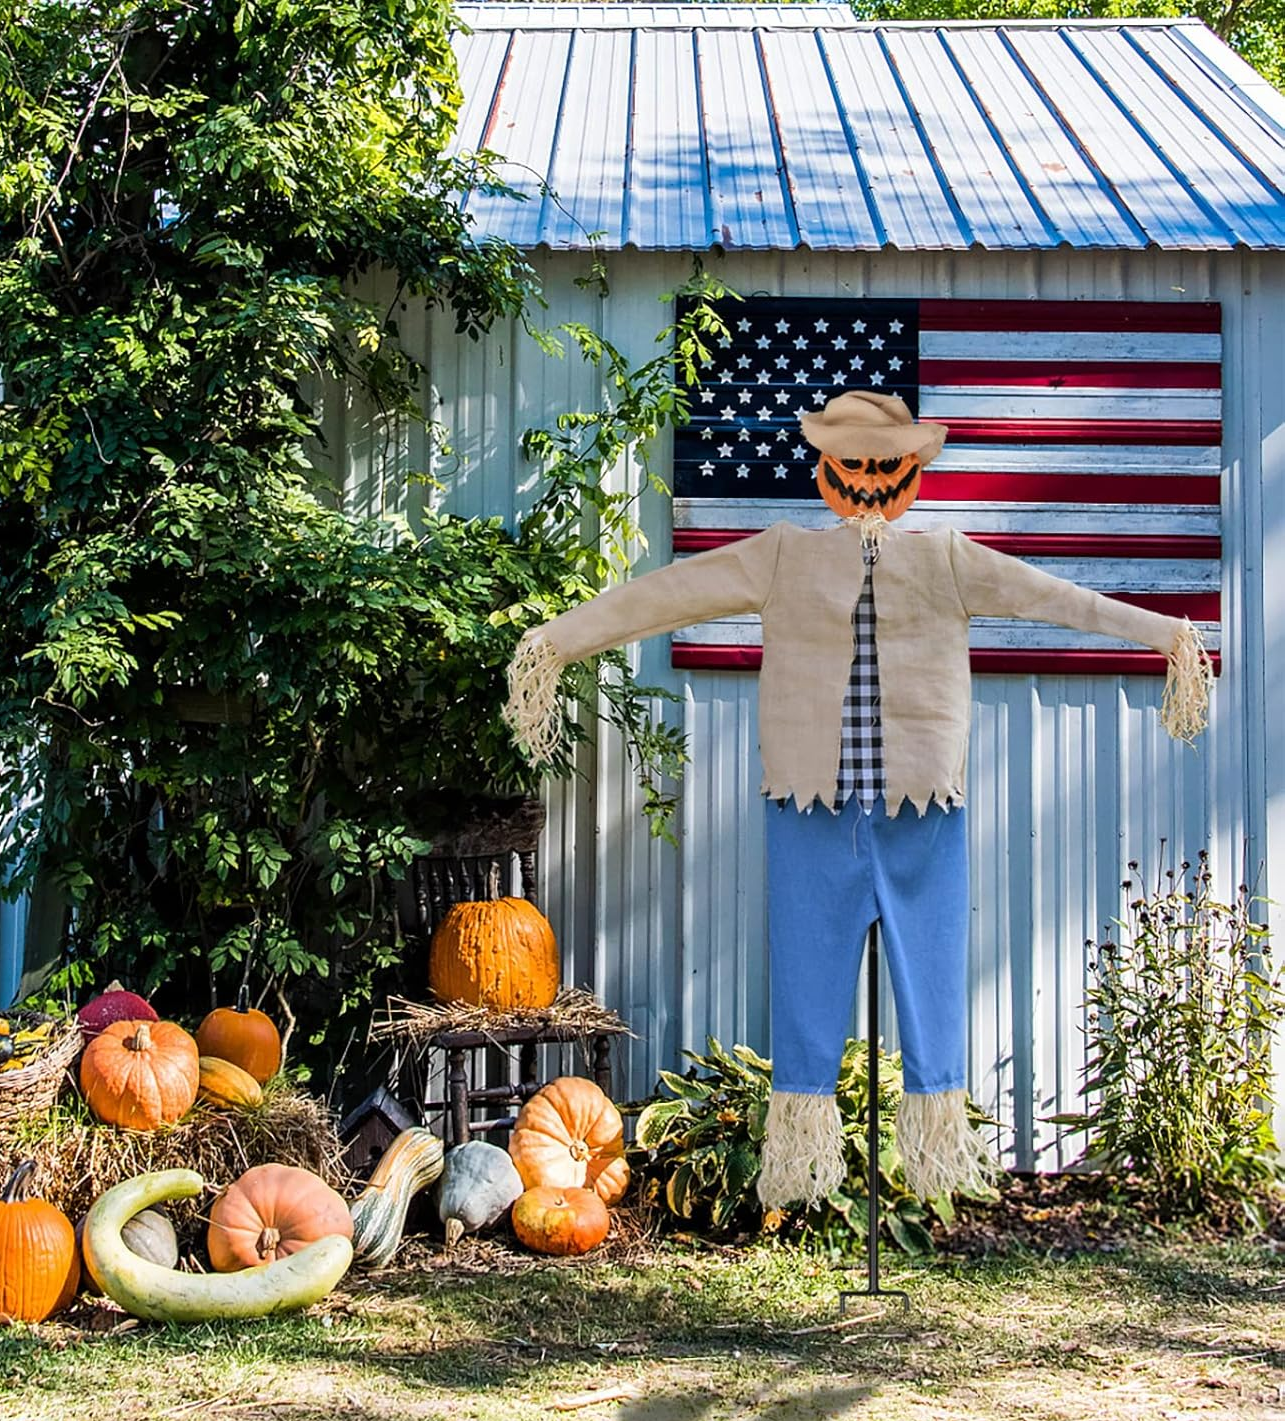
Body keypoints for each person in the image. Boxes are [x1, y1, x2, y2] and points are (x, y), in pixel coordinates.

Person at [503, 391, 1213, 1207]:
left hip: (922, 811)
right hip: (810, 810)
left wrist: (1165, 635)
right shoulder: (783, 555)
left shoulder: (945, 556)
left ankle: (936, 1140)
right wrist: (558, 641)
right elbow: (672, 593)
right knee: (806, 985)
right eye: (856, 463)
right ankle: (803, 1148)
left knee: (934, 980)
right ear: (827, 468)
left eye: (886, 464)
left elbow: (1053, 597)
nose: (870, 479)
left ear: (910, 471)